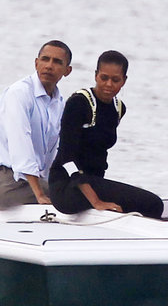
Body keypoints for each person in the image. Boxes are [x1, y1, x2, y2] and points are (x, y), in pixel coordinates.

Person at [48, 50, 164, 219]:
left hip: (94, 182)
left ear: (124, 80)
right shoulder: (79, 103)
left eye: (115, 80)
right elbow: (67, 159)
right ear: (96, 76)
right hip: (67, 187)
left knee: (150, 204)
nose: (109, 84)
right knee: (154, 204)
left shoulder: (118, 108)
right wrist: (96, 202)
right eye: (104, 78)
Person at [0, 40, 73, 209]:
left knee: (80, 191)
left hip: (35, 183)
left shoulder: (59, 103)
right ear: (36, 63)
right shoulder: (19, 93)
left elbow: (54, 155)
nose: (49, 66)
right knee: (73, 196)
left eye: (57, 62)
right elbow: (21, 144)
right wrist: (40, 194)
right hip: (5, 183)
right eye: (45, 59)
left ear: (67, 71)